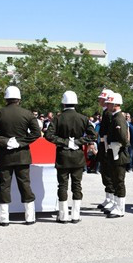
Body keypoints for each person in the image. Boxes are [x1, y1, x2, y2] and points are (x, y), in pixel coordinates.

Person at [0, 86, 41, 226]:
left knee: (4, 185)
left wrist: (5, 142)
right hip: (22, 155)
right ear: (19, 99)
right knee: (25, 184)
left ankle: (3, 218)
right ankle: (30, 216)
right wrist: (20, 142)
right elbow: (36, 133)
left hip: (5, 155)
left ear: (6, 98)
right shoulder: (27, 114)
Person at [45, 90, 97, 223]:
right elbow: (93, 136)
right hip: (77, 156)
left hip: (63, 155)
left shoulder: (58, 118)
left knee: (62, 185)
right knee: (77, 185)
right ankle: (76, 215)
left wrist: (65, 142)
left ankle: (63, 215)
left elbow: (48, 135)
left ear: (63, 103)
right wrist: (77, 142)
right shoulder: (83, 118)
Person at [104, 92, 130, 218]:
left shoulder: (119, 118)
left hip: (119, 154)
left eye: (109, 103)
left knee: (119, 181)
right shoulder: (115, 117)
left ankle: (120, 208)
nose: (107, 105)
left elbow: (124, 138)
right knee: (114, 180)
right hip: (113, 152)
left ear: (116, 104)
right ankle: (116, 205)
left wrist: (119, 145)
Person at [96, 89, 116, 211]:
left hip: (107, 146)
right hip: (103, 145)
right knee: (105, 173)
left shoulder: (109, 114)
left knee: (109, 173)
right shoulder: (105, 112)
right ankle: (108, 198)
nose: (100, 100)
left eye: (102, 99)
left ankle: (112, 199)